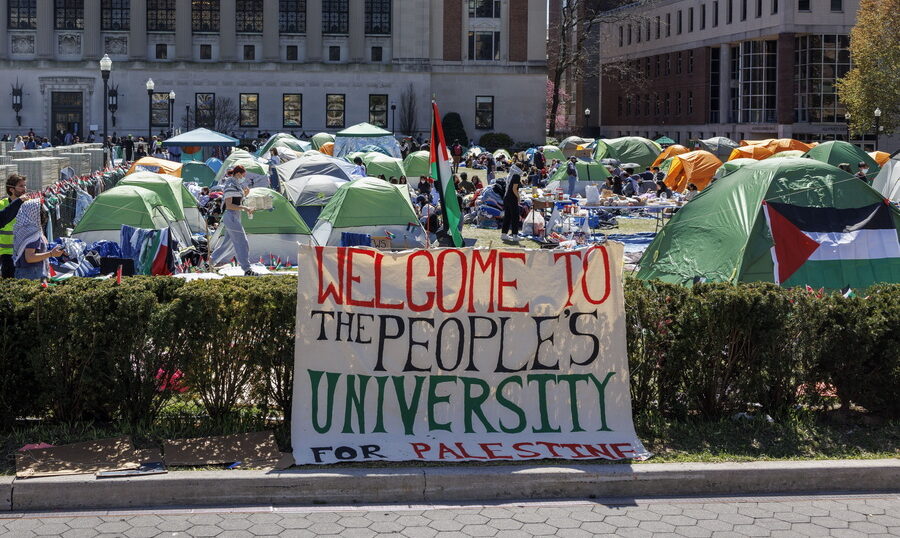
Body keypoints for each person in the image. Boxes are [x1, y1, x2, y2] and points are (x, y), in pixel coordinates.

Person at [219, 165, 257, 276]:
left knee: (226, 244)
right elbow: (229, 205)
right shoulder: (230, 184)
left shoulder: (235, 184)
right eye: (243, 175)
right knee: (242, 242)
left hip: (234, 216)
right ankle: (247, 269)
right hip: (231, 216)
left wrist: (244, 194)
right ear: (238, 174)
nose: (244, 177)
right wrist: (245, 208)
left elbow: (236, 201)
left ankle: (208, 262)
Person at [13, 200, 63, 283]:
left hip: (22, 272)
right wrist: (51, 254)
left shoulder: (22, 229)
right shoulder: (32, 232)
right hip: (32, 275)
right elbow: (29, 258)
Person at [1, 174, 28, 278]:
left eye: (25, 185)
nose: (24, 189)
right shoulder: (2, 204)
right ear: (11, 190)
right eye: (21, 186)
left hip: (24, 252)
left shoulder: (29, 204)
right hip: (6, 253)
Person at [501, 173, 522, 241]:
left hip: (507, 198)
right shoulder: (517, 175)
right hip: (512, 199)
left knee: (507, 216)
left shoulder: (511, 175)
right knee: (515, 217)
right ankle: (515, 235)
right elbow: (514, 189)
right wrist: (518, 197)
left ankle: (504, 234)